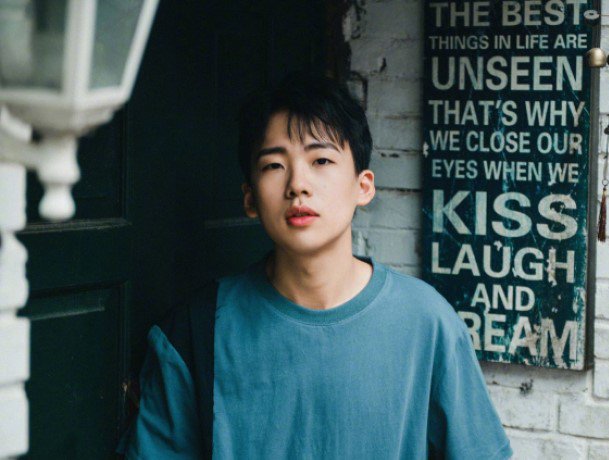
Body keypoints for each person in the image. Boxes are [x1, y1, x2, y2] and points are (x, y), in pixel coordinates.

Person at [118, 72, 513, 459]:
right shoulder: (195, 330)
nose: (298, 185)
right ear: (250, 198)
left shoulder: (426, 322)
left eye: (321, 159)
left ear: (363, 186)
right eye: (274, 165)